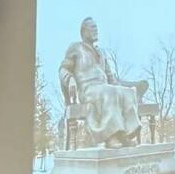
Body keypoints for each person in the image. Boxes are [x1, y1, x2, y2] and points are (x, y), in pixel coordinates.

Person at [58, 17, 148, 148]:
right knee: (109, 92)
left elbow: (112, 79)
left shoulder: (101, 53)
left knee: (127, 92)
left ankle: (126, 135)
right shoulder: (75, 48)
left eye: (96, 27)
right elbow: (63, 69)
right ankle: (110, 136)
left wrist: (130, 87)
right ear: (83, 31)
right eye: (92, 27)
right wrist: (70, 79)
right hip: (87, 90)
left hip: (103, 88)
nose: (96, 30)